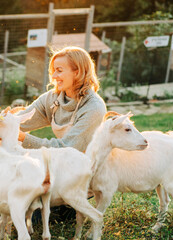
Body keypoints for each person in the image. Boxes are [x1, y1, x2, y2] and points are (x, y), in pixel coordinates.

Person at [18, 46, 107, 222]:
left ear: (78, 72)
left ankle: (71, 206)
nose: (54, 77)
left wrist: (22, 138)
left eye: (59, 71)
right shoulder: (52, 98)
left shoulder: (94, 107)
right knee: (19, 208)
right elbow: (21, 120)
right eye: (53, 71)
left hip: (81, 176)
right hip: (59, 167)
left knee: (32, 219)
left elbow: (66, 148)